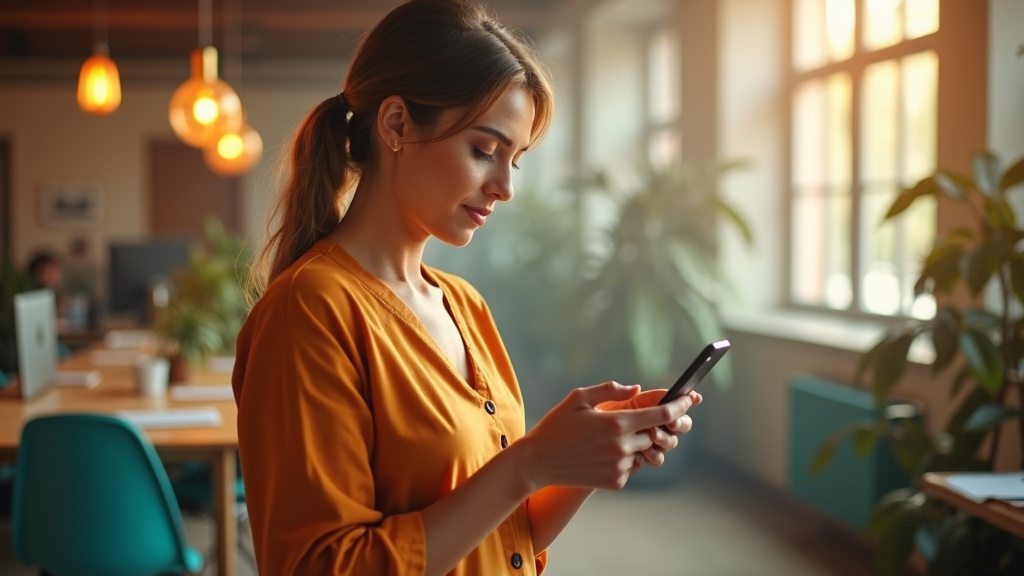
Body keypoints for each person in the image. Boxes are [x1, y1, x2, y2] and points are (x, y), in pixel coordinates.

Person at [232, 1, 702, 574]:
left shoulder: (464, 305)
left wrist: (577, 461)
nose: (504, 187)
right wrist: (529, 462)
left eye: (516, 160)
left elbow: (504, 533)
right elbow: (320, 565)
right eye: (484, 150)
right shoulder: (310, 310)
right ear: (397, 124)